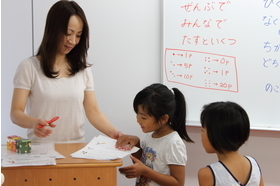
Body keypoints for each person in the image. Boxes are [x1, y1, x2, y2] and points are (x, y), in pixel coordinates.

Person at [10, 0, 122, 143]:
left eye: (78, 35)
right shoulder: (29, 67)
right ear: (53, 29)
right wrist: (33, 123)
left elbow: (93, 111)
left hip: (75, 150)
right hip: (41, 152)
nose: (73, 41)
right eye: (68, 33)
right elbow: (16, 113)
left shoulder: (83, 69)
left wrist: (115, 134)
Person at [118, 83, 194, 186]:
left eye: (144, 118)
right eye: (138, 115)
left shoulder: (173, 143)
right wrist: (136, 143)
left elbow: (178, 183)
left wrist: (145, 171)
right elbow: (144, 163)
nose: (138, 121)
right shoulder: (150, 135)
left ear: (163, 119)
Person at [198, 101, 265, 186]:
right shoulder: (254, 163)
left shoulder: (207, 173)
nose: (201, 135)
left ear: (216, 134)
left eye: (202, 130)